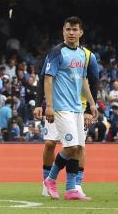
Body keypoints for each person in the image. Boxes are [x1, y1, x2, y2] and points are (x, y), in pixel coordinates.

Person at [37, 17, 99, 198]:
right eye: (68, 29)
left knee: (78, 148)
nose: (71, 33)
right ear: (63, 31)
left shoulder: (82, 54)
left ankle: (71, 189)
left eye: (74, 30)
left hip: (77, 108)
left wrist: (92, 103)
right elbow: (47, 79)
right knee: (70, 147)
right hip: (61, 107)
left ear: (81, 32)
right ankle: (50, 178)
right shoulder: (57, 52)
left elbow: (83, 81)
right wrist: (48, 105)